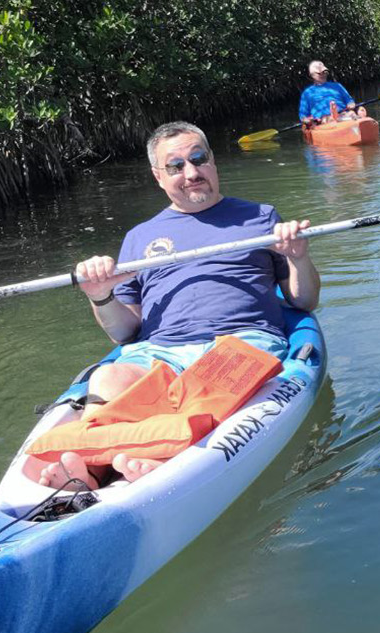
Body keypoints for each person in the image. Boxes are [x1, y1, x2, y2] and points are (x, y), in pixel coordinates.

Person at [37, 120, 319, 490]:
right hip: (159, 349)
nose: (191, 172)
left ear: (212, 162)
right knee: (109, 377)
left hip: (240, 344)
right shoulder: (139, 237)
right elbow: (125, 332)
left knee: (207, 383)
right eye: (176, 166)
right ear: (158, 176)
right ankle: (89, 470)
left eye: (198, 159)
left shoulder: (261, 217)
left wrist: (297, 256)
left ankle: (156, 460)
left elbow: (304, 300)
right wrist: (99, 294)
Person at [299, 60, 368, 126]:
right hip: (323, 120)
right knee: (328, 119)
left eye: (324, 72)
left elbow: (349, 100)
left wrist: (351, 104)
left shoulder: (337, 86)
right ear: (311, 75)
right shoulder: (307, 93)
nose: (323, 74)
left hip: (343, 113)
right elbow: (303, 116)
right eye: (319, 73)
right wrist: (307, 120)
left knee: (352, 113)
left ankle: (355, 123)